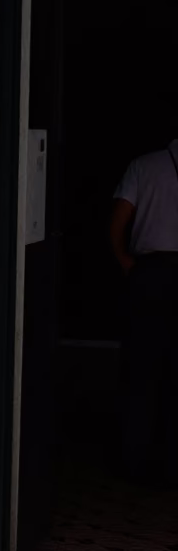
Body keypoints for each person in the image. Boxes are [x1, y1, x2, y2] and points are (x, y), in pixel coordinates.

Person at [108, 138, 178, 487]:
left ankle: (134, 464)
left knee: (141, 369)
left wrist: (128, 264)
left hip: (150, 273)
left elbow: (117, 223)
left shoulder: (144, 165)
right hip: (154, 272)